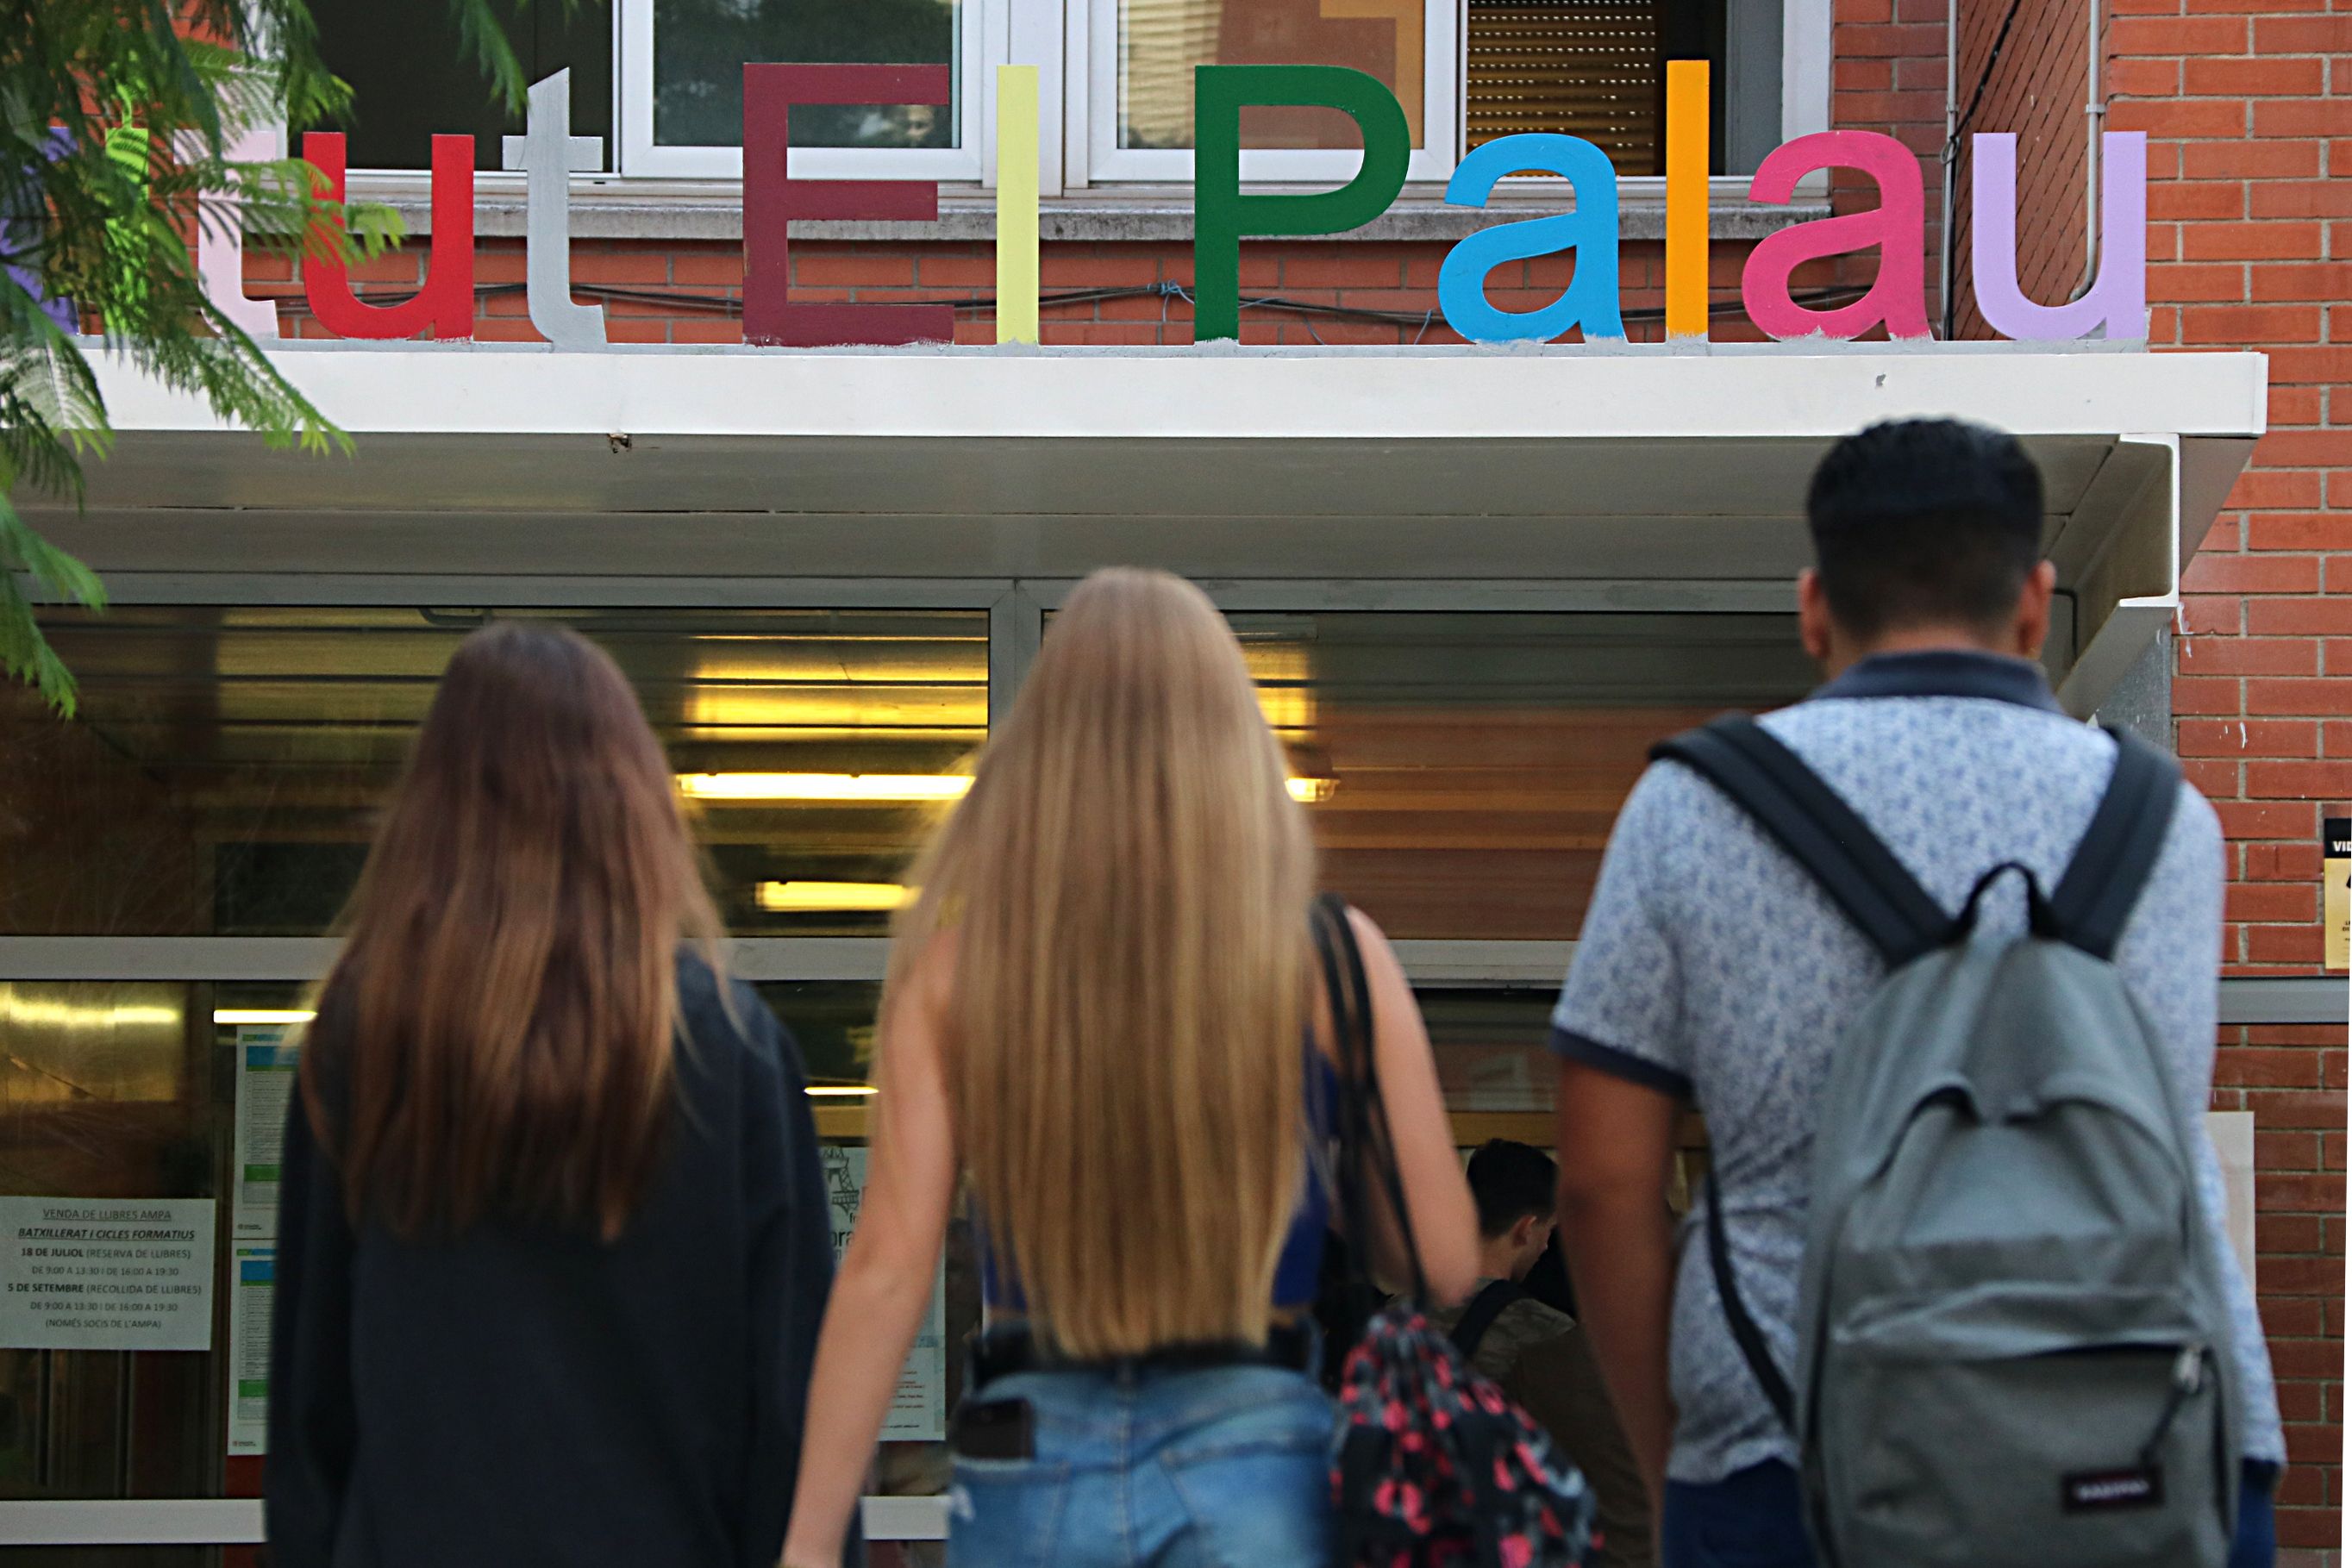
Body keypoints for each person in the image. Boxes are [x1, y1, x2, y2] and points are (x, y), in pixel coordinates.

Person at [1548, 419, 2285, 1568]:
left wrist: (1679, 1456)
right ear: (2036, 607)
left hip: (1790, 1443)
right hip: (2150, 1439)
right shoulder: (2168, 823)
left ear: (1812, 608)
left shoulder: (1694, 808)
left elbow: (1601, 1180)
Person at [780, 566, 1479, 1568]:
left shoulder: (960, 971)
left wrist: (808, 1543)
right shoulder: (1330, 959)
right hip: (1256, 1446)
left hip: (1026, 1443)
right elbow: (1448, 1260)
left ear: (1044, 754)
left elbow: (890, 1267)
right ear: (1231, 745)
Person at [267, 623, 840, 1568]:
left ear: (434, 809)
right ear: (631, 806)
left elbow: (310, 1409)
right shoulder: (727, 1047)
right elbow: (789, 1404)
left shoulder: (364, 1041)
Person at [1429, 1141, 1655, 1568]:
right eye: (1548, 1232)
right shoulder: (1549, 1337)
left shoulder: (1395, 1317)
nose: (1548, 1248)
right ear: (1525, 1229)